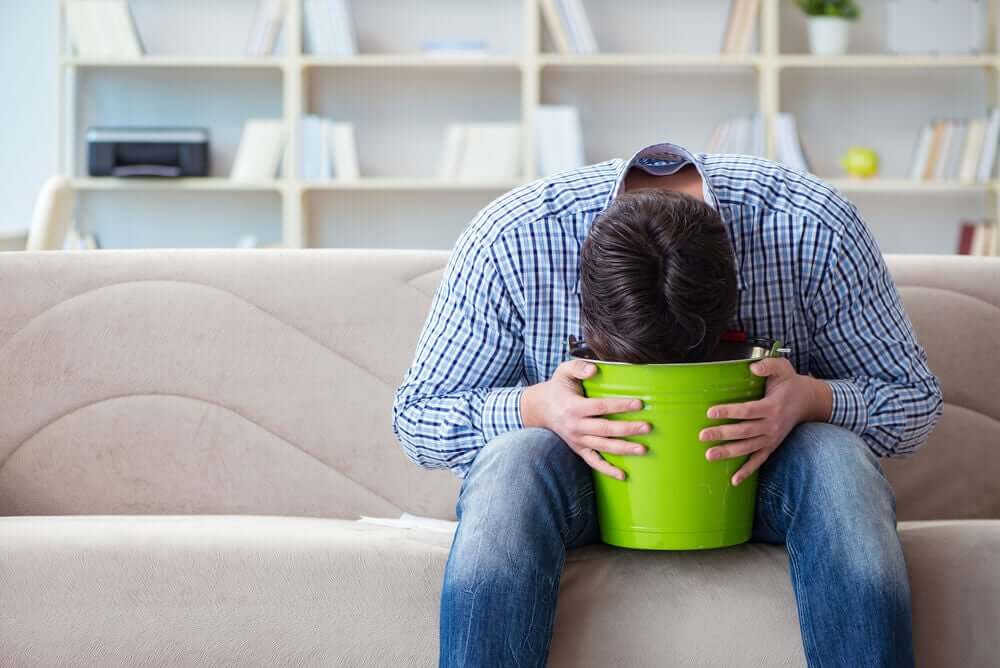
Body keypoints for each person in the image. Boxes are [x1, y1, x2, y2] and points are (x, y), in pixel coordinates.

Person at [392, 141, 944, 668]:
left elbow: (915, 399)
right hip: (586, 484)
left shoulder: (813, 228)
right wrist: (538, 407)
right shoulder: (512, 239)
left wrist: (813, 397)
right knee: (513, 461)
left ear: (734, 292)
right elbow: (418, 417)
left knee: (836, 458)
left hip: (757, 478)